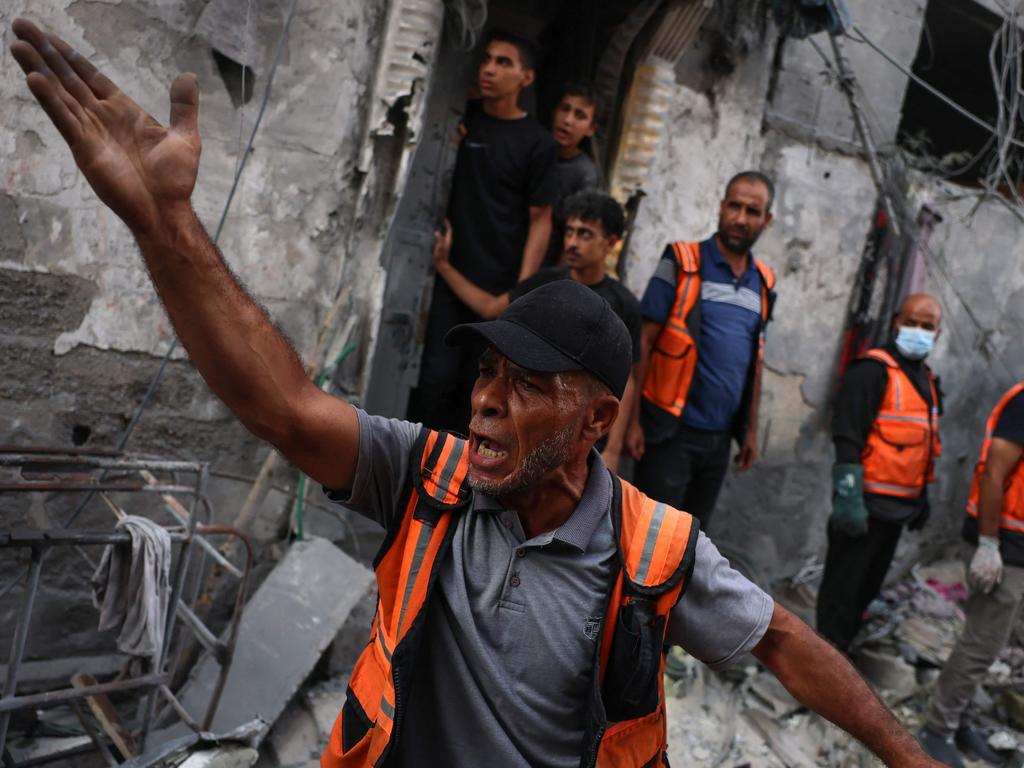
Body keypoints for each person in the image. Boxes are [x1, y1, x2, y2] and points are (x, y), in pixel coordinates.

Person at [9, 18, 944, 768]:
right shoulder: (432, 474)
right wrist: (166, 225)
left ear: (597, 422)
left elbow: (781, 640)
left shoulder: (649, 548)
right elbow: (282, 407)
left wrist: (910, 757)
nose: (485, 401)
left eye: (526, 385)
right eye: (487, 373)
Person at [407, 28, 559, 434]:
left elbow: (540, 218)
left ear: (526, 78)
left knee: (477, 389)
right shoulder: (462, 121)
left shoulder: (538, 143)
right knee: (434, 378)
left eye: (503, 62)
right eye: (487, 59)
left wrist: (521, 291)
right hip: (449, 275)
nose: (489, 69)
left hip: (498, 287)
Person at [432, 190, 641, 470]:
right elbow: (492, 308)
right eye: (569, 231)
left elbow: (628, 382)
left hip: (577, 441)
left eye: (585, 234)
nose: (572, 242)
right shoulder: (545, 286)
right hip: (524, 427)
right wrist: (444, 267)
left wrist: (614, 449)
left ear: (611, 243)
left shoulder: (622, 305)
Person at [627, 171, 777, 528]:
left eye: (752, 212)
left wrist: (751, 430)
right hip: (669, 434)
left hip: (720, 440)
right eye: (735, 207)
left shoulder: (764, 283)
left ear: (766, 221)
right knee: (648, 536)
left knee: (691, 544)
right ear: (721, 207)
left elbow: (754, 359)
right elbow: (643, 342)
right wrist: (631, 422)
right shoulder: (681, 260)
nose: (741, 219)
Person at [817, 294, 943, 655]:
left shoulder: (926, 380)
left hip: (896, 513)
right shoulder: (872, 371)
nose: (919, 332)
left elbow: (923, 446)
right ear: (896, 322)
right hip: (865, 508)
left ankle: (843, 661)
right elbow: (847, 437)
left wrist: (922, 499)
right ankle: (825, 667)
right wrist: (848, 499)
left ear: (938, 332)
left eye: (927, 327)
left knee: (864, 592)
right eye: (912, 323)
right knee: (841, 594)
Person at [918, 381, 1024, 768]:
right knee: (980, 644)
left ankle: (958, 721)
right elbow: (994, 473)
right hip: (1004, 547)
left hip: (1017, 547)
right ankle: (936, 729)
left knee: (989, 644)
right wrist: (989, 544)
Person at [545, 81, 600, 265]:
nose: (568, 120)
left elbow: (574, 237)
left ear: (590, 128)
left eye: (580, 116)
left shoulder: (584, 174)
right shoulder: (535, 151)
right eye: (565, 109)